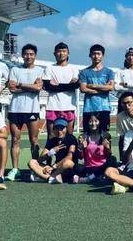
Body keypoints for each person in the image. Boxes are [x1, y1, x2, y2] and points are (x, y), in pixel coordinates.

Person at [6, 43, 44, 181]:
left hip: (32, 109)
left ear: (35, 56)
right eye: (26, 54)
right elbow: (12, 89)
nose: (28, 56)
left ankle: (35, 168)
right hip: (15, 109)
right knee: (15, 140)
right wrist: (31, 87)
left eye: (31, 54)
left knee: (34, 140)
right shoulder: (15, 69)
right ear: (22, 55)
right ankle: (15, 169)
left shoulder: (40, 70)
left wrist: (20, 84)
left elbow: (38, 88)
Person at [43, 42, 79, 137]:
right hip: (52, 106)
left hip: (69, 106)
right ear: (54, 53)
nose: (61, 53)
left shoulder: (73, 68)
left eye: (64, 51)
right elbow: (47, 86)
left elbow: (75, 85)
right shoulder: (49, 68)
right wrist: (68, 85)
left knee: (69, 136)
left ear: (68, 53)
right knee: (51, 136)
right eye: (59, 51)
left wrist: (57, 85)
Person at [28, 118, 78, 184]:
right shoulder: (52, 141)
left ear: (66, 129)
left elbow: (69, 157)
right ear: (53, 130)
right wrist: (51, 152)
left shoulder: (71, 138)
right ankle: (52, 178)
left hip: (68, 168)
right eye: (57, 129)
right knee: (32, 162)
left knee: (68, 163)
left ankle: (47, 178)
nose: (59, 131)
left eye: (61, 128)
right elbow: (40, 159)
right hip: (56, 169)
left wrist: (53, 166)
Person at [79, 44, 115, 133]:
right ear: (90, 55)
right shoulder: (84, 72)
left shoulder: (109, 72)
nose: (96, 56)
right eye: (94, 54)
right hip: (89, 108)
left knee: (104, 135)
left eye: (98, 54)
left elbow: (111, 87)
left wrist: (93, 86)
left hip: (104, 108)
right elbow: (83, 89)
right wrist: (103, 89)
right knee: (87, 135)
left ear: (103, 55)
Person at [73, 113, 116, 183]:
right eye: (91, 121)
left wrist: (108, 148)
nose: (93, 124)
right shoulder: (83, 136)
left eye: (96, 121)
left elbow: (108, 155)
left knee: (113, 160)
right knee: (75, 166)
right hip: (89, 167)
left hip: (102, 166)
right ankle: (97, 177)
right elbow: (80, 157)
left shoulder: (106, 135)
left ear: (100, 122)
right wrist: (82, 148)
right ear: (87, 123)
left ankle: (89, 178)